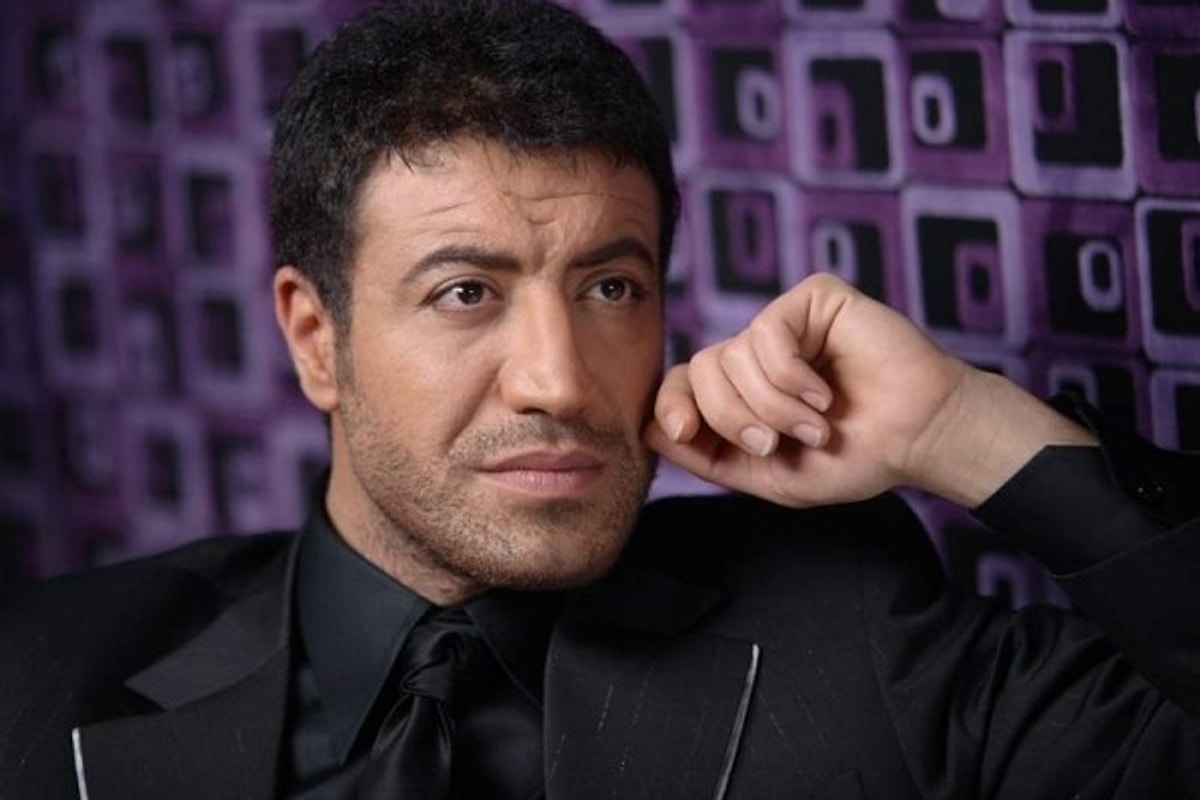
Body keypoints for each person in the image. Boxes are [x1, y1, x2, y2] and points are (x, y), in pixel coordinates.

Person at [1, 1, 1197, 798]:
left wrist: (961, 429)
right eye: (466, 291)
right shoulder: (40, 678)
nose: (562, 379)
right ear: (318, 338)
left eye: (611, 286)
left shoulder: (852, 628)